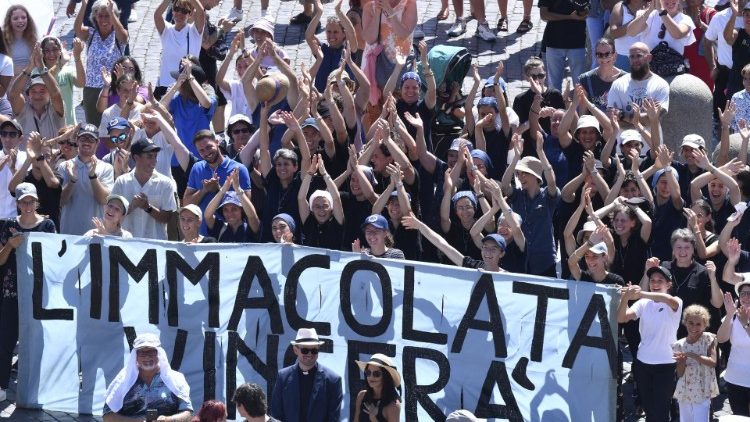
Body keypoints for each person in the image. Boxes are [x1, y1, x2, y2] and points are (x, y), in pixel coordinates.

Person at [0, 183, 56, 403]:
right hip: (12, 291)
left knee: (36, 341)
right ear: (17, 204)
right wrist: (10, 246)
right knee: (6, 339)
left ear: (37, 202)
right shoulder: (9, 226)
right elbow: (1, 259)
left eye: (31, 201)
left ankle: (37, 387)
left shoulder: (48, 225)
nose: (27, 205)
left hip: (38, 293)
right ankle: (2, 384)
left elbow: (54, 258)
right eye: (23, 201)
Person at [617, 265, 682, 422]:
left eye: (660, 280)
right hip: (643, 364)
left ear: (669, 284)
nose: (655, 284)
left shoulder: (676, 301)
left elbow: (668, 299)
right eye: (652, 280)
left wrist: (639, 293)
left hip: (665, 365)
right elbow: (622, 318)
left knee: (661, 410)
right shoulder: (643, 303)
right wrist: (625, 297)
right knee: (649, 408)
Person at [103, 333, 193, 421]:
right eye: (142, 352)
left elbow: (188, 414)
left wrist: (168, 420)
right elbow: (107, 416)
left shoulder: (176, 379)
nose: (147, 356)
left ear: (159, 353)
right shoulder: (122, 380)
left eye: (151, 351)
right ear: (136, 355)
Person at [75, 0, 129, 127]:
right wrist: (83, 6)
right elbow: (77, 29)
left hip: (113, 90)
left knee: (113, 126)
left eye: (108, 16)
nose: (104, 20)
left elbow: (124, 38)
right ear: (95, 17)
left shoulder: (118, 35)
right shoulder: (91, 34)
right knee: (93, 127)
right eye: (100, 16)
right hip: (91, 89)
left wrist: (112, 12)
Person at [270, 328, 343, 422]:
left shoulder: (333, 380)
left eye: (314, 350)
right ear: (295, 350)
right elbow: (276, 414)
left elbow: (333, 418)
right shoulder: (283, 377)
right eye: (305, 350)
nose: (310, 354)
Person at [111, 138, 178, 240]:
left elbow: (168, 217)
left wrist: (148, 207)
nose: (154, 161)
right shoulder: (121, 182)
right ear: (136, 157)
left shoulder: (166, 183)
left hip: (155, 246)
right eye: (149, 156)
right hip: (126, 244)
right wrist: (132, 206)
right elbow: (112, 214)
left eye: (155, 156)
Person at [58, 123, 115, 235]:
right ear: (77, 141)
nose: (87, 142)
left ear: (97, 143)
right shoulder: (65, 166)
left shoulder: (106, 167)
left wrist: (93, 176)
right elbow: (61, 201)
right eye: (83, 138)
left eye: (91, 139)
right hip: (70, 233)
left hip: (96, 233)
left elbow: (104, 200)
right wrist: (72, 180)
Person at [606, 42, 670, 131]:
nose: (635, 60)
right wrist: (645, 118)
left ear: (649, 58)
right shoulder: (618, 84)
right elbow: (614, 119)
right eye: (632, 57)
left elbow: (654, 119)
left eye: (639, 56)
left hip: (651, 142)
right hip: (624, 142)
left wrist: (622, 115)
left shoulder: (661, 85)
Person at [672, 304, 719, 422]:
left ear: (705, 325)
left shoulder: (708, 339)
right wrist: (681, 362)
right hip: (685, 389)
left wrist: (693, 355)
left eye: (698, 324)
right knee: (685, 419)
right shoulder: (679, 344)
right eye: (691, 323)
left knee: (701, 419)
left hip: (703, 389)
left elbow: (713, 362)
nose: (694, 327)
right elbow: (680, 373)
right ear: (685, 322)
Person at [626, 0, 696, 78]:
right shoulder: (647, 14)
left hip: (672, 73)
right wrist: (649, 11)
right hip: (648, 71)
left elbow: (677, 34)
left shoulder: (685, 19)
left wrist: (662, 12)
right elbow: (631, 32)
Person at [154, 0, 204, 99]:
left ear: (190, 14)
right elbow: (157, 15)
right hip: (166, 86)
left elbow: (200, 11)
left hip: (188, 87)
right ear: (172, 11)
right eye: (176, 9)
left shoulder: (194, 31)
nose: (179, 13)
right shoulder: (167, 30)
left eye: (184, 11)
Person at [716, 280, 750, 417]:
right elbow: (721, 338)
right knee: (740, 416)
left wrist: (745, 323)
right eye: (743, 294)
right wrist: (729, 314)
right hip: (735, 378)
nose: (746, 297)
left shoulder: (742, 319)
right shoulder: (734, 315)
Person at [539, 0, 588, 90]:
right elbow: (544, 15)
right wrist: (570, 17)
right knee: (553, 87)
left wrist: (582, 12)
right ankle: (554, 104)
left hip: (577, 42)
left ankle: (578, 104)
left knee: (580, 86)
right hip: (554, 41)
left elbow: (587, 12)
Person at [203, 169, 259, 243]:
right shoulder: (219, 228)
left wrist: (238, 189)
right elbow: (207, 216)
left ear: (241, 210)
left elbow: (252, 216)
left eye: (234, 209)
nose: (230, 213)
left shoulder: (250, 227)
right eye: (226, 209)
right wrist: (223, 190)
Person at [40, 36, 85, 125]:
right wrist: (60, 64)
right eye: (47, 51)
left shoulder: (67, 70)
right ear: (42, 54)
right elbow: (43, 83)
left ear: (60, 51)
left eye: (55, 49)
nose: (51, 54)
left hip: (68, 125)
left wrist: (77, 57)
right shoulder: (37, 71)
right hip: (47, 126)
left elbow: (81, 83)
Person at [577, 38, 626, 112]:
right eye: (599, 54)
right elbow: (582, 114)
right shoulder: (585, 79)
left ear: (615, 55)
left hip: (619, 121)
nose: (604, 58)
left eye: (607, 54)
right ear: (596, 56)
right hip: (593, 122)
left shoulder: (626, 78)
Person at [354, 353, 401, 422]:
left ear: (386, 377)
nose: (371, 377)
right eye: (368, 372)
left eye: (377, 374)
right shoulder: (361, 395)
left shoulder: (393, 405)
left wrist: (373, 418)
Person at [609, 0, 648, 70]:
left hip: (647, 58)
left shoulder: (652, 6)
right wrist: (637, 19)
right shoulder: (619, 7)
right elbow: (613, 33)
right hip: (623, 58)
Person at [2, 5, 37, 76]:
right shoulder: (3, 41)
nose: (20, 21)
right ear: (9, 21)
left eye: (23, 17)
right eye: (15, 18)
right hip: (10, 84)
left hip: (32, 84)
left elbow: (38, 65)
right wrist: (28, 69)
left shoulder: (33, 40)